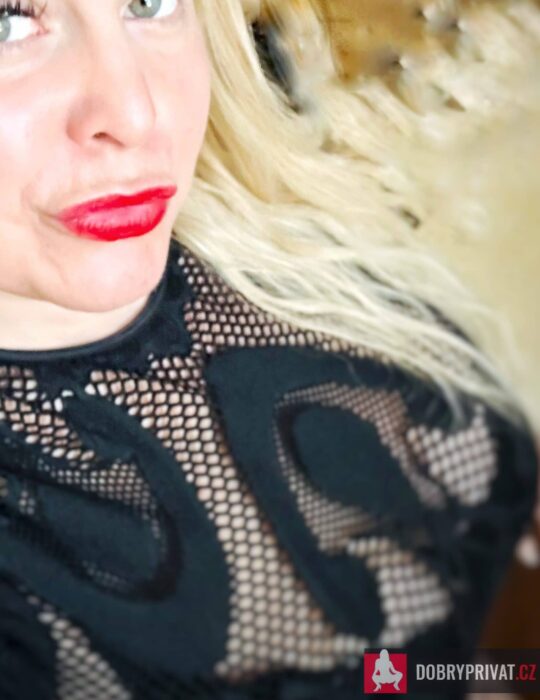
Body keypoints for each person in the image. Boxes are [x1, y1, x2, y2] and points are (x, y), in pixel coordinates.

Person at [0, 0, 537, 698]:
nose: (135, 112)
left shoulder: (282, 232)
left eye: (148, 3)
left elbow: (413, 666)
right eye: (8, 23)